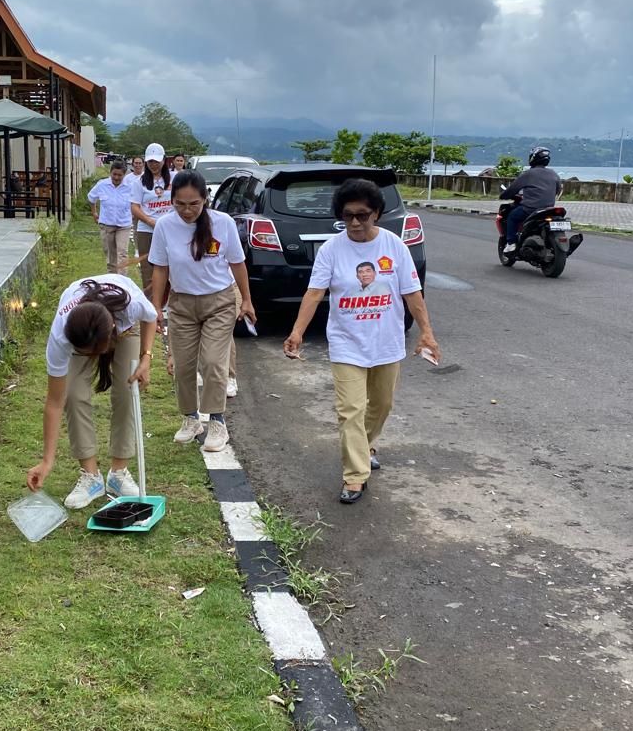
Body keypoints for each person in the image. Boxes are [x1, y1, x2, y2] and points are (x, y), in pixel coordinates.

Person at [283, 178, 439, 504]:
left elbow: (412, 293)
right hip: (346, 343)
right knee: (350, 410)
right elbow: (314, 293)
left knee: (381, 405)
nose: (354, 223)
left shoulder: (394, 246)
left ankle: (365, 445)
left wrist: (426, 332)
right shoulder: (332, 249)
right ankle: (355, 476)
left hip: (386, 342)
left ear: (376, 213)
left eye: (362, 215)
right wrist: (297, 332)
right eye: (348, 216)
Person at [27, 275, 157, 508]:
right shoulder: (62, 335)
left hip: (125, 330)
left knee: (128, 390)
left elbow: (151, 317)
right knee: (74, 395)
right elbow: (54, 402)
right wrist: (46, 461)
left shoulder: (131, 305)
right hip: (87, 331)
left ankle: (118, 474)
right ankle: (91, 477)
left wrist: (146, 357)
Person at [149, 169, 256, 453]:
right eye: (180, 204)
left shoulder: (223, 223)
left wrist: (246, 300)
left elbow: (237, 264)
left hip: (218, 303)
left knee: (212, 362)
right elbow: (160, 269)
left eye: (194, 204)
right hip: (182, 304)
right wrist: (156, 306)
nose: (187, 210)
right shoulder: (165, 226)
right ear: (172, 201)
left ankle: (217, 421)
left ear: (205, 200)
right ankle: (191, 419)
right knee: (183, 366)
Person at [501, 146, 563, 253]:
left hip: (530, 208)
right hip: (549, 209)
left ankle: (511, 243)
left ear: (533, 158)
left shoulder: (528, 174)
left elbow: (513, 189)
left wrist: (503, 195)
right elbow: (558, 190)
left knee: (512, 217)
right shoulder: (553, 174)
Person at [131, 144, 174, 287]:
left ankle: (170, 298)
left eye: (157, 161)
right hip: (147, 230)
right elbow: (135, 207)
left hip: (170, 228)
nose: (153, 165)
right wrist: (151, 222)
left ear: (164, 160)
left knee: (172, 265)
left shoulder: (174, 178)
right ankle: (151, 299)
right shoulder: (139, 182)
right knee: (148, 268)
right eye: (150, 162)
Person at [88, 160, 139, 273]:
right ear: (110, 172)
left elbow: (136, 202)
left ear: (124, 175)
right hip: (107, 224)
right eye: (114, 174)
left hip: (124, 225)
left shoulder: (131, 187)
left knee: (122, 253)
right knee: (110, 255)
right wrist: (94, 212)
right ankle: (112, 277)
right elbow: (91, 198)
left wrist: (134, 213)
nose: (116, 177)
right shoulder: (102, 185)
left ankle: (122, 279)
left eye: (119, 175)